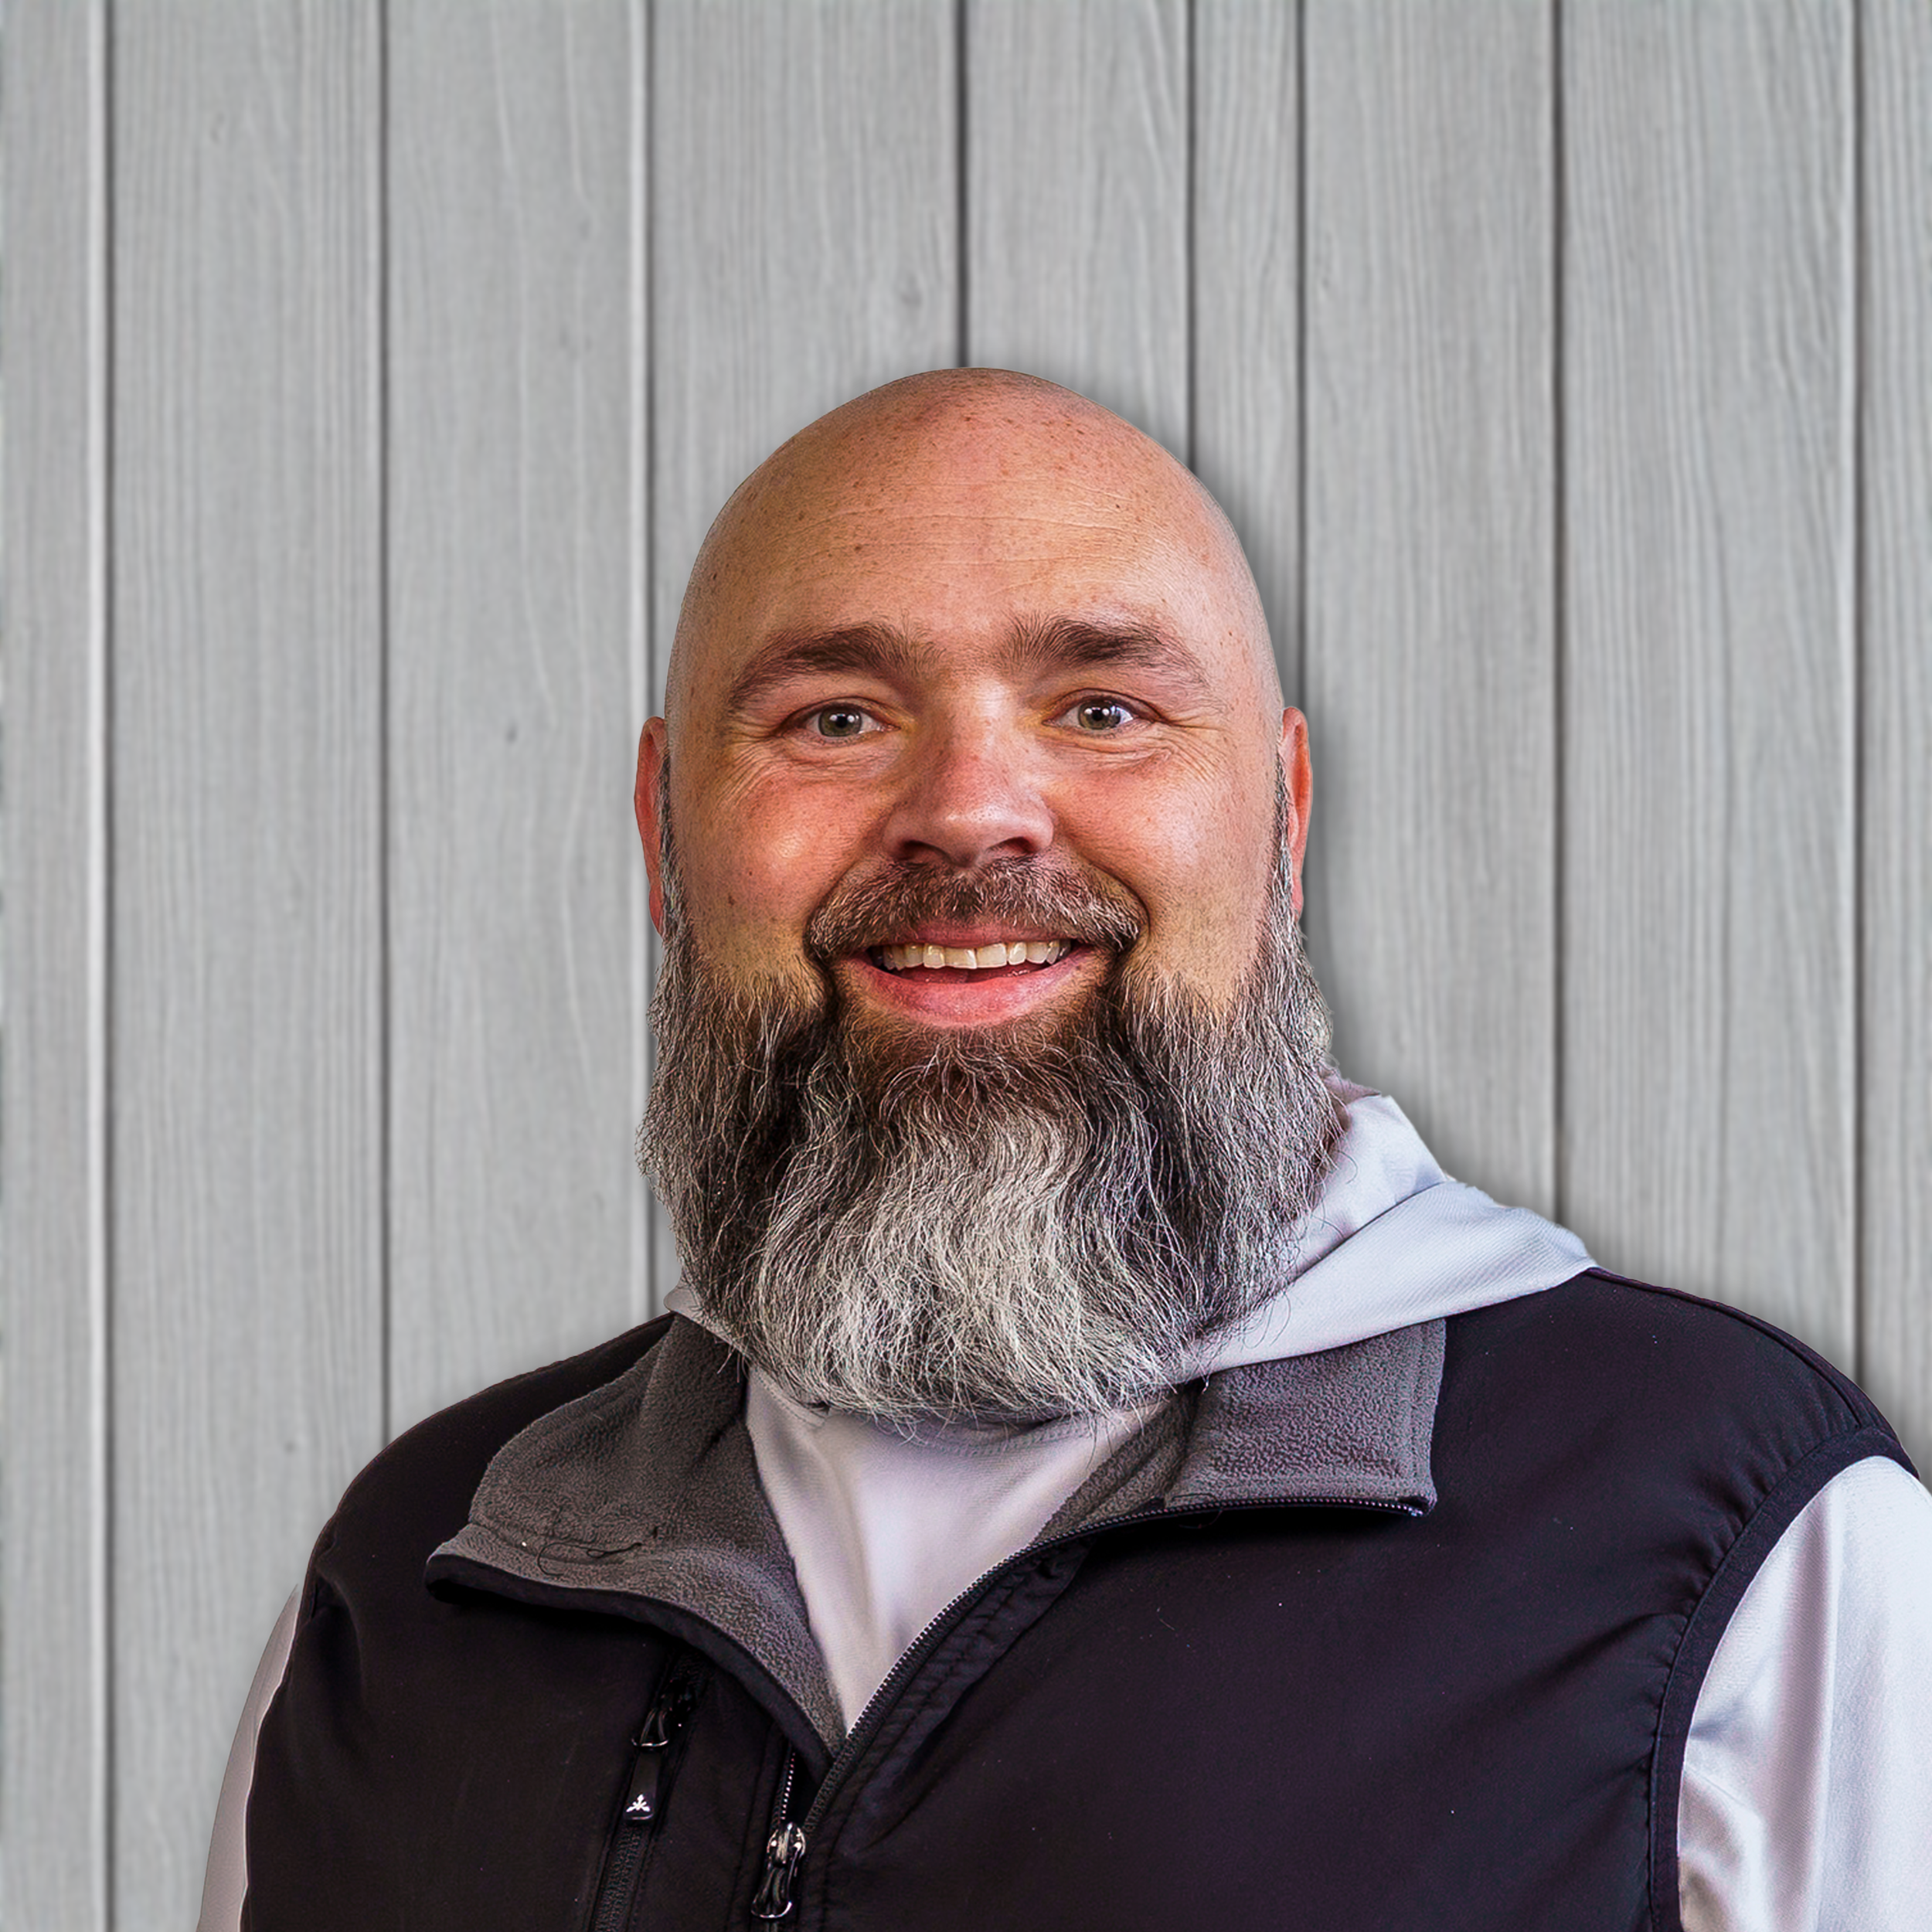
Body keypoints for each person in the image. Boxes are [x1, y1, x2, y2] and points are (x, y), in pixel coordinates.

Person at [204, 370, 1932, 1930]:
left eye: (1101, 706)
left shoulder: (1738, 1548)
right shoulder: (421, 1572)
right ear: (665, 830)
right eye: (833, 716)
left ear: (1282, 823)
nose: (968, 808)